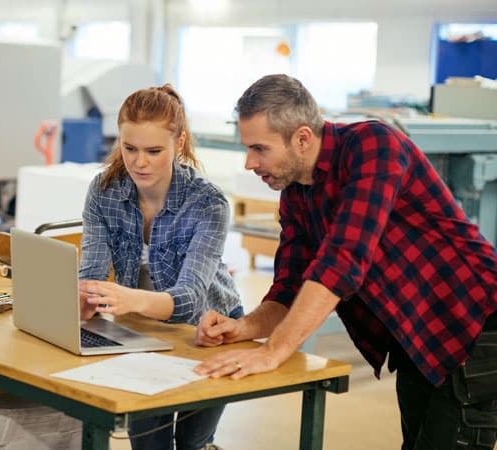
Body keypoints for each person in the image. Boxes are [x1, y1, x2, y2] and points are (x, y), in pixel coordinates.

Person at [194, 74, 497, 450]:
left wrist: (275, 351)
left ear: (302, 138)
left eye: (259, 148)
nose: (249, 163)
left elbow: (344, 260)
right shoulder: (297, 193)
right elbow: (288, 288)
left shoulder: (374, 146)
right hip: (418, 333)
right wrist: (242, 328)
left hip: (473, 322)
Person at [79, 83, 242, 450]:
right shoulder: (103, 191)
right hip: (140, 329)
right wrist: (83, 297)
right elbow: (90, 271)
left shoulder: (208, 204)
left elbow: (189, 299)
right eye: (129, 148)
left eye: (154, 151)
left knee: (193, 444)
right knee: (148, 443)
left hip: (207, 332)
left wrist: (124, 299)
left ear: (179, 143)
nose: (139, 162)